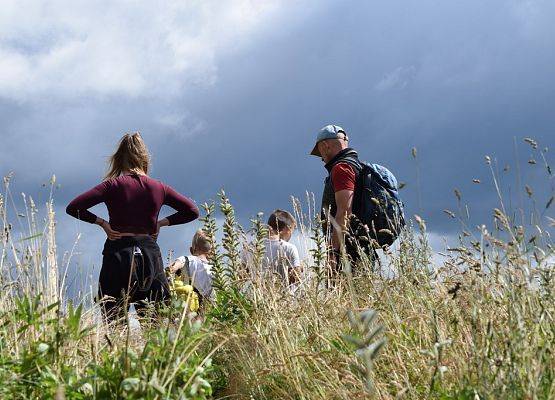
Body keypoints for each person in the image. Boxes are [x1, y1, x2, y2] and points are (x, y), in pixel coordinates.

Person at [66, 132, 199, 322]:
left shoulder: (112, 185)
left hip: (118, 251)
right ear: (145, 159)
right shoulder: (159, 187)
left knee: (113, 318)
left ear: (119, 159)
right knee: (156, 321)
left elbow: (74, 207)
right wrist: (161, 223)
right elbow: (192, 211)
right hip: (149, 253)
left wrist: (102, 223)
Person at [310, 124, 374, 270]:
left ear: (326, 145)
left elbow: (344, 211)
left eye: (320, 152)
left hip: (348, 252)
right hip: (360, 247)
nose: (321, 159)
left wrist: (332, 252)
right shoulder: (356, 166)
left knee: (343, 291)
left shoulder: (341, 169)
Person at [167, 230, 214, 306]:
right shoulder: (215, 269)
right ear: (212, 252)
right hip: (211, 309)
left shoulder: (187, 259)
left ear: (191, 250)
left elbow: (173, 268)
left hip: (188, 306)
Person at [260, 209, 302, 285]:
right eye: (292, 229)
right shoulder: (289, 248)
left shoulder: (251, 247)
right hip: (283, 295)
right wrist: (300, 268)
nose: (291, 234)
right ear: (286, 229)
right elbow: (296, 279)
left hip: (255, 295)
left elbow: (240, 276)